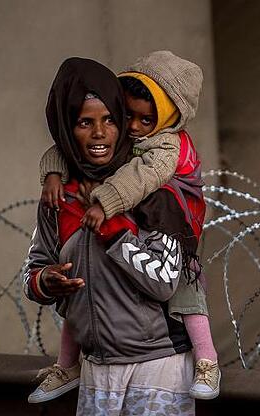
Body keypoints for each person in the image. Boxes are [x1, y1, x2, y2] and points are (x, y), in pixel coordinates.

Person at [29, 51, 220, 403]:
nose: (105, 131)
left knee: (189, 295)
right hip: (96, 370)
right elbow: (35, 270)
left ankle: (208, 360)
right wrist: (45, 281)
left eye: (109, 120)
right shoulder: (60, 197)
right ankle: (66, 365)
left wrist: (110, 219)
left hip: (157, 366)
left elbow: (164, 283)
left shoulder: (154, 188)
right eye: (84, 122)